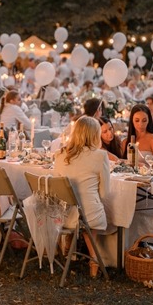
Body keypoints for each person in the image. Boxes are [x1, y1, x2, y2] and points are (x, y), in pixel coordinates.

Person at [50, 116, 111, 277]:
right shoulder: (100, 156)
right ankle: (93, 262)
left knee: (80, 211)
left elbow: (57, 185)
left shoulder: (61, 154)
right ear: (94, 134)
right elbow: (105, 193)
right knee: (90, 209)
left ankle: (68, 253)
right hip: (88, 216)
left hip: (63, 215)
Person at [123, 104, 153, 169]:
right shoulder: (125, 142)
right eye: (137, 120)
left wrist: (141, 166)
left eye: (144, 120)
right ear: (132, 121)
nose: (140, 124)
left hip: (150, 177)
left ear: (148, 121)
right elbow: (121, 164)